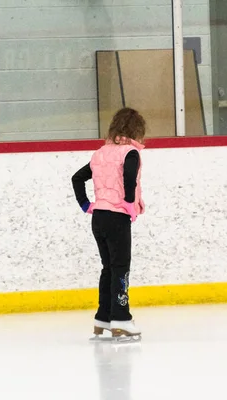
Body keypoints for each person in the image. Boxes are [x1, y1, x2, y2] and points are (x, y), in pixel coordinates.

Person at [71, 107, 146, 339]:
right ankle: (121, 318)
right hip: (117, 217)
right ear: (136, 130)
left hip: (99, 217)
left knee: (108, 268)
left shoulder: (100, 153)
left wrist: (86, 205)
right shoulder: (130, 153)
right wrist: (129, 204)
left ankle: (103, 317)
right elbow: (129, 178)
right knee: (121, 268)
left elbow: (77, 178)